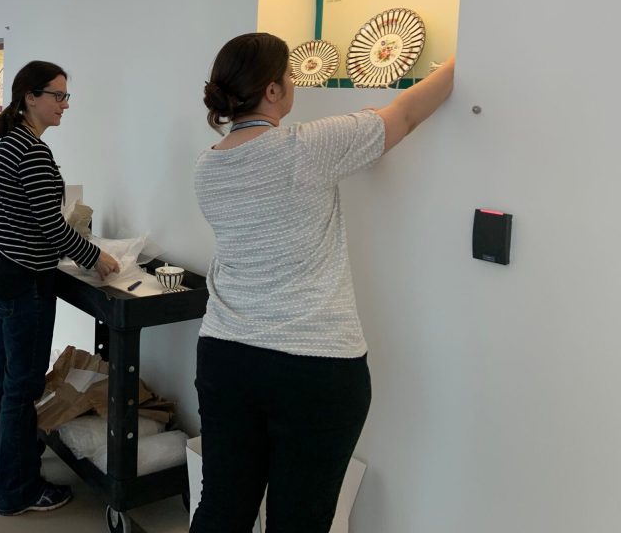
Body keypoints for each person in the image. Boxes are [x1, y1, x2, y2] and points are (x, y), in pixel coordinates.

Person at [190, 33, 455, 532]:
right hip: (314, 369)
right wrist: (462, 62)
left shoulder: (208, 166)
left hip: (226, 357)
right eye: (290, 76)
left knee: (222, 506)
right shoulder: (307, 146)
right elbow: (403, 114)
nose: (294, 85)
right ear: (272, 90)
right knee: (300, 519)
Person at [0, 61, 120, 517]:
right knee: (22, 387)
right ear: (30, 97)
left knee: (2, 376)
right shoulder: (30, 151)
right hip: (24, 285)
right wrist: (97, 257)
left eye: (66, 97)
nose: (64, 105)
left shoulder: (10, 144)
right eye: (58, 96)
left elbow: (19, 218)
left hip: (1, 273)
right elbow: (49, 227)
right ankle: (17, 490)